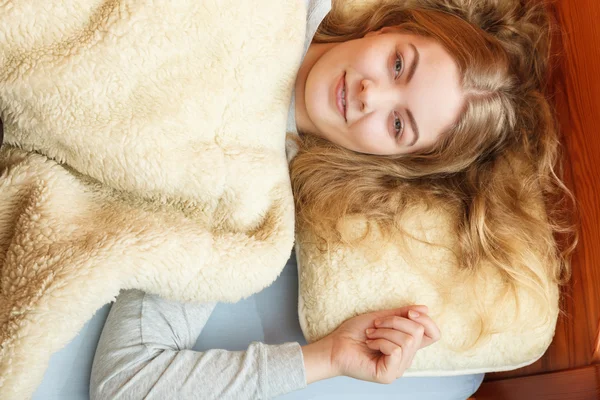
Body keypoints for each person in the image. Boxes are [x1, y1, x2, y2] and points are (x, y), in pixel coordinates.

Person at [91, 0, 575, 398]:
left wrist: (328, 357)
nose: (370, 94)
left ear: (393, 162)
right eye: (398, 64)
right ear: (389, 25)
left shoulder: (248, 206)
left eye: (398, 124)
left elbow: (124, 383)